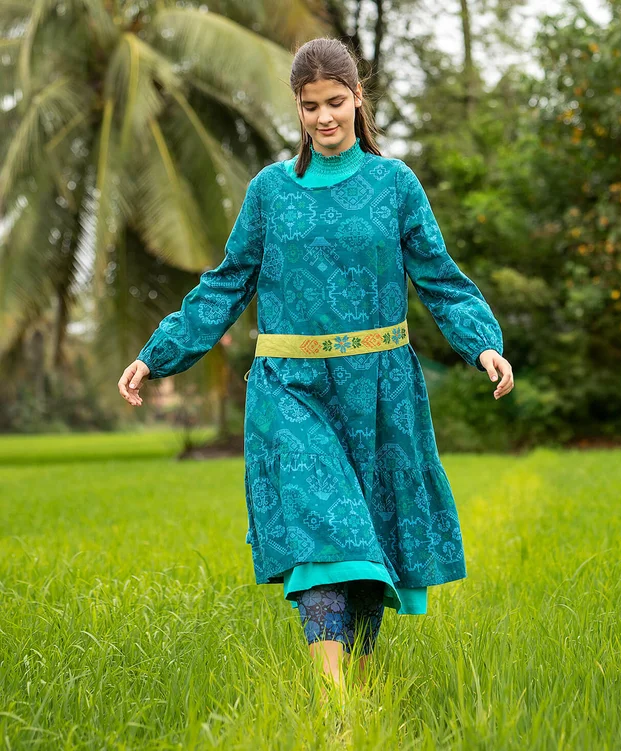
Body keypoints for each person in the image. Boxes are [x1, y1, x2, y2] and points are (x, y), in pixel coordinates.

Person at [118, 37, 513, 704]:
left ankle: (358, 685)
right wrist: (158, 353)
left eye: (335, 102)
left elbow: (440, 279)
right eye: (310, 106)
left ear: (358, 100)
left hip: (378, 390)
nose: (324, 117)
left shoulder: (394, 185)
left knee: (367, 542)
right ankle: (332, 703)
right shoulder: (270, 191)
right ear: (297, 110)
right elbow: (227, 283)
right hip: (290, 389)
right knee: (324, 537)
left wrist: (483, 343)